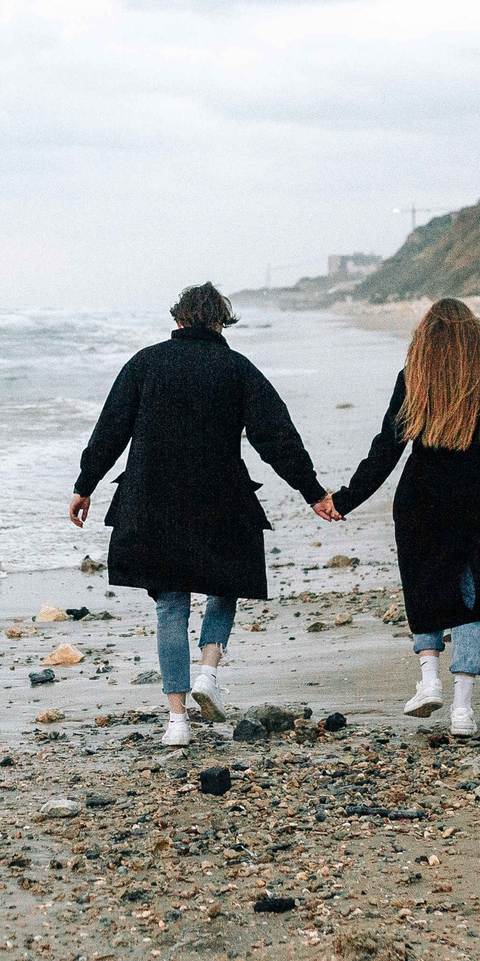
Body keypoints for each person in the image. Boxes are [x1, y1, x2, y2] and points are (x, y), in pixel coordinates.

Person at [72, 282, 330, 747]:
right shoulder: (237, 369)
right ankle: (208, 672)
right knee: (224, 584)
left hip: (153, 500)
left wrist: (84, 485)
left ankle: (176, 722)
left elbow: (111, 429)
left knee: (171, 604)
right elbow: (277, 437)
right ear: (219, 323)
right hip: (221, 497)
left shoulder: (145, 363)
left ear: (178, 320)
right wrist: (312, 492)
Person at [317, 297, 480, 735]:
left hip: (423, 491)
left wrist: (344, 499)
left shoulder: (414, 377)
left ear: (427, 337)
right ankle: (462, 708)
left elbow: (386, 447)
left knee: (424, 582)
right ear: (471, 334)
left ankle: (428, 680)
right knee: (472, 594)